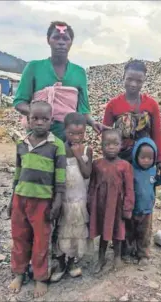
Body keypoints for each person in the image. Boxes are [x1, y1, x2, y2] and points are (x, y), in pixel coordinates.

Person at [7, 101, 66, 298]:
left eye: (44, 119)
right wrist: (11, 199)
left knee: (42, 240)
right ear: (28, 120)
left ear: (52, 121)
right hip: (20, 199)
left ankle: (41, 277)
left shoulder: (56, 146)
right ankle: (19, 272)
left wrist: (58, 201)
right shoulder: (21, 143)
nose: (39, 122)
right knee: (19, 236)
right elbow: (17, 174)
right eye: (35, 118)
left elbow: (60, 178)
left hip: (42, 201)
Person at [14, 21, 109, 141]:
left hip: (67, 137)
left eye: (65, 38)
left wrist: (93, 122)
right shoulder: (33, 67)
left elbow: (83, 110)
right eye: (56, 37)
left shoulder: (79, 72)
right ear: (48, 40)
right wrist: (40, 117)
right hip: (38, 135)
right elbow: (19, 102)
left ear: (71, 42)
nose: (61, 42)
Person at [50, 112, 94, 282]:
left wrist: (78, 155)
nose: (76, 137)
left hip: (80, 200)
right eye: (71, 133)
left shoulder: (87, 150)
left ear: (85, 132)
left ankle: (71, 262)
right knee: (61, 232)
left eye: (80, 133)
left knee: (77, 232)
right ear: (64, 131)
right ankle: (60, 263)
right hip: (65, 200)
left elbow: (86, 173)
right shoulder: (60, 149)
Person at [87, 129, 135, 273]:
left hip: (117, 207)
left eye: (115, 144)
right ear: (101, 145)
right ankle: (101, 258)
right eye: (107, 144)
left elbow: (129, 189)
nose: (111, 147)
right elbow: (91, 185)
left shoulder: (125, 166)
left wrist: (128, 207)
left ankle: (117, 257)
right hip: (100, 206)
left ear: (121, 145)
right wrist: (89, 203)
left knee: (117, 231)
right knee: (103, 231)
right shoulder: (97, 164)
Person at [102, 60, 161, 167]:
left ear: (144, 81)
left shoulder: (151, 104)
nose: (133, 84)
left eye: (139, 81)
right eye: (129, 79)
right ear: (123, 77)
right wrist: (107, 159)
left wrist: (159, 160)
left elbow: (156, 134)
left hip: (145, 159)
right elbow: (106, 134)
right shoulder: (113, 105)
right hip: (120, 159)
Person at [126, 137, 161, 265]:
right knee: (129, 232)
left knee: (144, 234)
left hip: (147, 210)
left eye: (150, 158)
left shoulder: (153, 171)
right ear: (135, 156)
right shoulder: (131, 170)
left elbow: (160, 180)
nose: (146, 161)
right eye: (143, 157)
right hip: (132, 209)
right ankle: (128, 252)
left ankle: (143, 255)